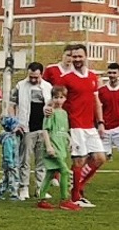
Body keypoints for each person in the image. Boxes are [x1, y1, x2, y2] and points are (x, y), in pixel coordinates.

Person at [45, 43, 106, 207]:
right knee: (79, 161)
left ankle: (77, 188)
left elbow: (96, 101)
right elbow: (56, 97)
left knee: (100, 158)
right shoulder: (66, 78)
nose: (77, 59)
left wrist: (100, 122)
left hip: (90, 125)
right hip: (75, 124)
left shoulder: (93, 77)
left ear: (86, 57)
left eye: (80, 56)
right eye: (74, 56)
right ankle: (75, 197)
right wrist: (48, 108)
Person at [10, 62, 53, 202]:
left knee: (42, 161)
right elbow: (12, 105)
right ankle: (24, 187)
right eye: (31, 76)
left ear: (41, 74)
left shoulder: (48, 87)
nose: (33, 79)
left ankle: (40, 188)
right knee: (25, 160)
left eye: (36, 76)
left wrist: (51, 111)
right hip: (26, 128)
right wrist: (15, 123)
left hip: (44, 129)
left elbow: (54, 105)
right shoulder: (20, 86)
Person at [34, 88, 79, 211]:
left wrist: (70, 141)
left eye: (61, 97)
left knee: (51, 173)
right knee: (64, 171)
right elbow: (45, 130)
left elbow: (64, 131)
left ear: (65, 98)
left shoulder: (64, 113)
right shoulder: (50, 112)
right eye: (56, 97)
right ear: (52, 98)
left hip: (61, 147)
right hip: (53, 148)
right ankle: (65, 200)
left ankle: (41, 199)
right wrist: (48, 146)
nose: (58, 100)